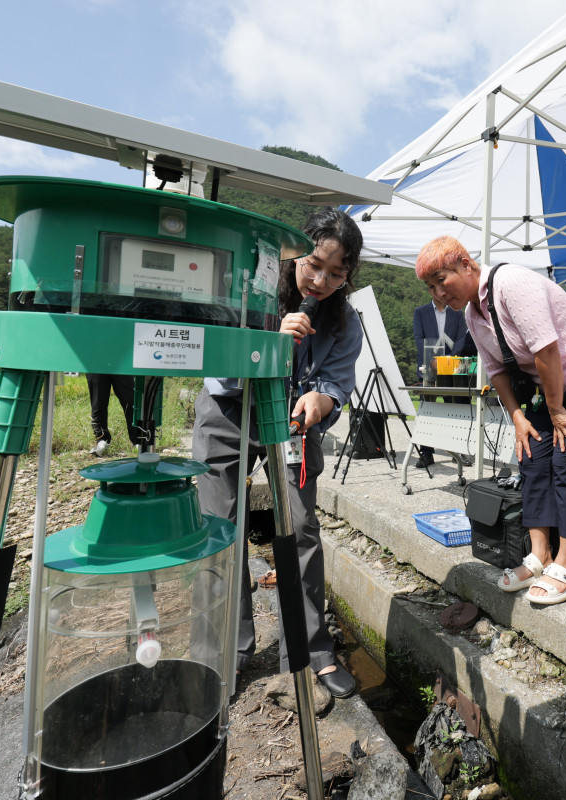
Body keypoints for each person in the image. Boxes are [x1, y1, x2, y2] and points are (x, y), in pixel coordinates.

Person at [193, 208, 364, 701]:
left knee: (301, 527)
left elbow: (337, 382)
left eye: (336, 274)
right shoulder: (250, 287)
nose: (321, 281)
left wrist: (321, 400)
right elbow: (215, 358)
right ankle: (220, 653)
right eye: (314, 265)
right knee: (218, 527)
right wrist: (267, 342)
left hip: (291, 421)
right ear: (293, 254)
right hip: (228, 409)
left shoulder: (344, 320)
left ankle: (312, 649)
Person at [415, 236, 566, 605]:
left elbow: (546, 350)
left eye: (442, 280)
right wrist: (518, 417)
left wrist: (556, 411)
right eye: (430, 287)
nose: (439, 293)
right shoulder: (473, 314)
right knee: (531, 457)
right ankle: (540, 555)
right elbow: (497, 371)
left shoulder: (511, 283)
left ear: (466, 264)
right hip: (547, 386)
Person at [412, 284, 476, 468]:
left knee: (457, 409)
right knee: (427, 411)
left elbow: (461, 339)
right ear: (430, 291)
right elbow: (419, 339)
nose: (439, 293)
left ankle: (459, 451)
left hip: (452, 370)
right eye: (434, 288)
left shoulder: (457, 313)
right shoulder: (421, 312)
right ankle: (426, 453)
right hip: (428, 368)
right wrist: (432, 359)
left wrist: (448, 359)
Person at [85, 373, 143, 456]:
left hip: (120, 365)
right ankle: (101, 439)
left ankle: (138, 440)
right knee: (98, 403)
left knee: (130, 401)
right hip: (95, 365)